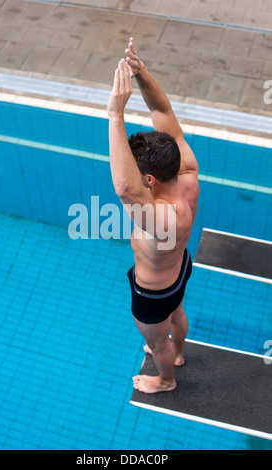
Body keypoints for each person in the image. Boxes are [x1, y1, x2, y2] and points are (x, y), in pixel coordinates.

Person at [107, 38, 199, 394]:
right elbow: (163, 111)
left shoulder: (162, 218)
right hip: (179, 269)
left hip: (153, 293)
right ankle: (177, 353)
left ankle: (166, 378)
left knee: (156, 342)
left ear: (149, 179)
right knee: (177, 315)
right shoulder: (186, 168)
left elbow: (126, 189)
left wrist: (116, 114)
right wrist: (141, 73)